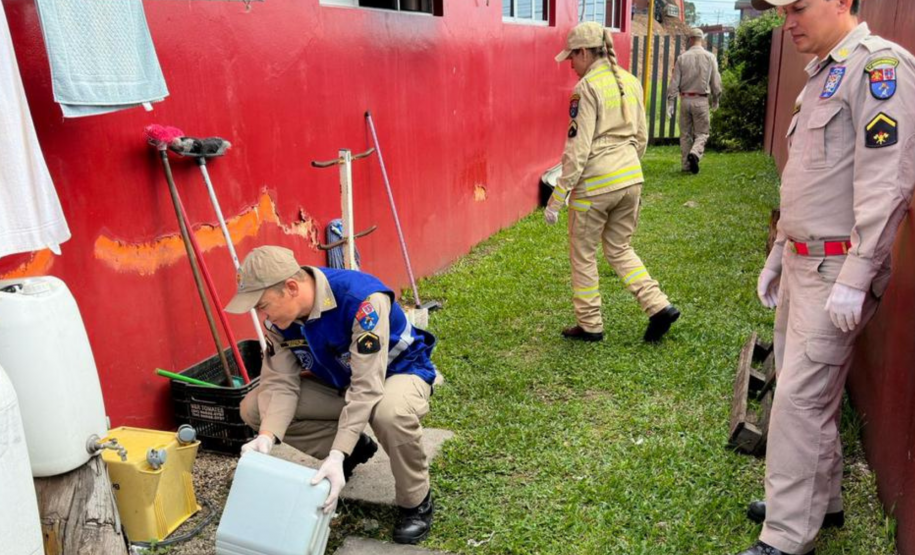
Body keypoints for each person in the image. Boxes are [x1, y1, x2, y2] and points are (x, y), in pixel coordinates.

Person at [739, 0, 915, 554]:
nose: (787, 21)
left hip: (837, 265)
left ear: (842, 1)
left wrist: (856, 276)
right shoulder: (824, 72)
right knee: (805, 384)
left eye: (798, 7)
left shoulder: (879, 68)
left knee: (797, 401)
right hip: (803, 259)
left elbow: (888, 182)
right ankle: (823, 498)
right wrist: (777, 255)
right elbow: (809, 179)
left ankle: (788, 536)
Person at [225, 246, 438, 545]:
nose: (262, 315)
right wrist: (267, 437)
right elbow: (279, 383)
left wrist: (337, 452)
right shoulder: (279, 321)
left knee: (388, 413)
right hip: (339, 381)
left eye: (262, 305)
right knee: (254, 408)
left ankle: (416, 501)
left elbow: (368, 386)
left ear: (291, 288)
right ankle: (354, 450)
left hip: (398, 372)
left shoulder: (362, 301)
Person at [546, 21, 680, 344]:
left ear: (583, 52)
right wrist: (627, 166)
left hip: (594, 186)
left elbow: (577, 152)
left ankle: (590, 324)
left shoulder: (586, 88)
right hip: (631, 178)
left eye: (572, 59)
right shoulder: (631, 82)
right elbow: (642, 138)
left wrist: (556, 198)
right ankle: (658, 305)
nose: (571, 67)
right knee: (620, 248)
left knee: (583, 254)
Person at [666, 27, 722, 174]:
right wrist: (716, 99)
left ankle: (686, 165)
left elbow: (674, 82)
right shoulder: (710, 57)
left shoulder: (682, 58)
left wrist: (670, 102)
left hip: (685, 100)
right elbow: (716, 81)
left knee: (685, 134)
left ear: (690, 40)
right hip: (701, 100)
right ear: (701, 39)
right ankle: (695, 153)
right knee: (702, 133)